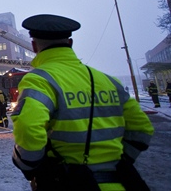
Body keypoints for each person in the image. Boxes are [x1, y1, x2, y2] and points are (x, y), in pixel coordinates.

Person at [11, 14, 154, 191]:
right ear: (70, 44)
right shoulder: (108, 81)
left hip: (68, 183)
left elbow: (28, 127)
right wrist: (119, 161)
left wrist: (29, 166)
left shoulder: (39, 80)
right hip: (121, 182)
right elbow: (143, 128)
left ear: (33, 46)